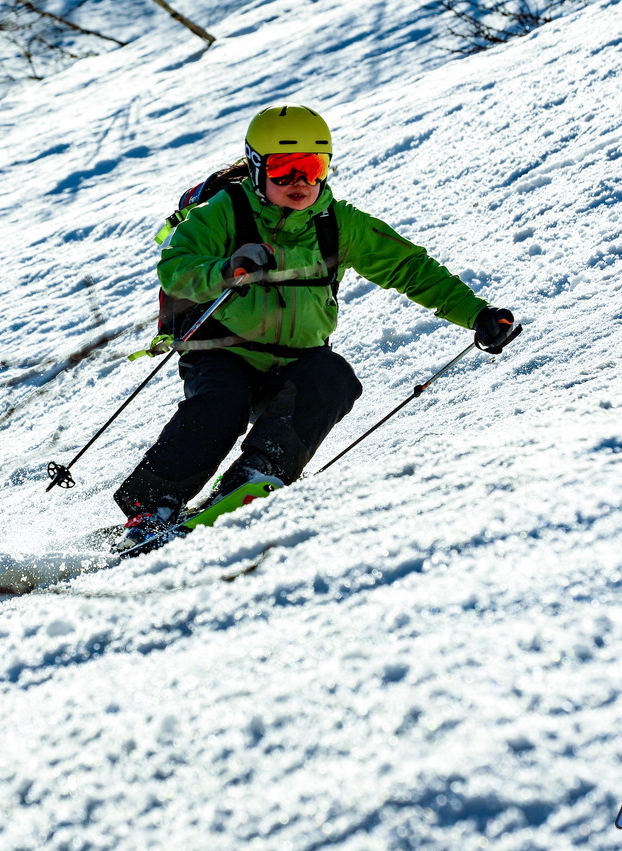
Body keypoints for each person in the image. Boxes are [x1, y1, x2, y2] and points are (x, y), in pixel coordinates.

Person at [113, 103, 516, 550]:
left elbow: (410, 269)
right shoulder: (224, 212)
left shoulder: (339, 224)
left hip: (297, 360)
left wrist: (476, 314)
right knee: (221, 405)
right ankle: (153, 505)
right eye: (284, 170)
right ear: (256, 167)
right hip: (224, 349)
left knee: (334, 377)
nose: (299, 182)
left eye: (311, 167)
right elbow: (177, 269)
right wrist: (228, 268)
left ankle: (254, 480)